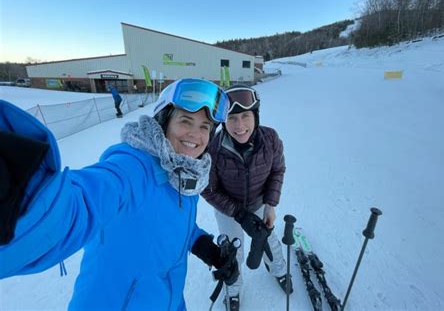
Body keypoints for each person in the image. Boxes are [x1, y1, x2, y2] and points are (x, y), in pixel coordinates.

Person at [0, 78, 239, 310]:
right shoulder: (131, 168)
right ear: (164, 121)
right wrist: (24, 197)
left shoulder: (183, 175)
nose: (195, 135)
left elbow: (166, 225)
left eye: (204, 127)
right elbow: (79, 205)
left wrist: (203, 246)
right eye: (186, 121)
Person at [202, 84, 291, 311]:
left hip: (260, 203)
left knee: (268, 239)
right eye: (232, 118)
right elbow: (208, 189)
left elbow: (277, 170)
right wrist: (238, 213)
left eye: (245, 116)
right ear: (223, 121)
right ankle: (233, 287)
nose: (239, 126)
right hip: (229, 210)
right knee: (233, 251)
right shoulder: (214, 148)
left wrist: (270, 205)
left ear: (255, 116)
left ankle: (278, 269)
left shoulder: (269, 139)